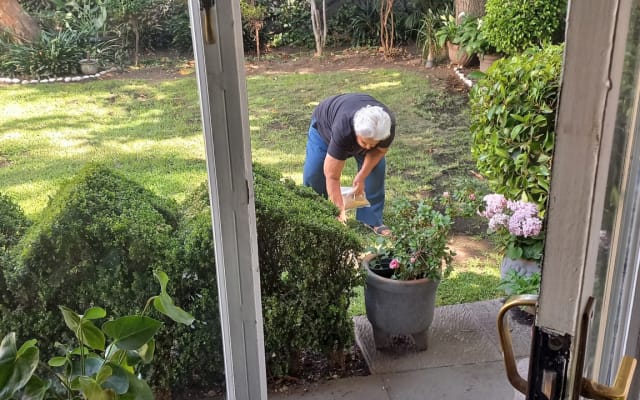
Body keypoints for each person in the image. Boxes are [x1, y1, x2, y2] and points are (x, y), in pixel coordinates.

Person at [303, 93, 395, 236]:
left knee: (376, 169)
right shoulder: (344, 128)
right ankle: (317, 214)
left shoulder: (386, 126)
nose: (368, 148)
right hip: (324, 127)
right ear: (356, 132)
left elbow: (378, 152)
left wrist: (362, 176)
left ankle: (371, 219)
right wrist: (339, 210)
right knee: (314, 171)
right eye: (364, 143)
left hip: (354, 122)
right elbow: (332, 176)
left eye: (373, 143)